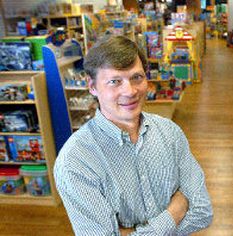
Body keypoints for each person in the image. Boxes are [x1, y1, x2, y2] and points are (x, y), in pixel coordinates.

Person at [54, 35, 213, 235]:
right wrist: (176, 210)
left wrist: (130, 232)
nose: (129, 91)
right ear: (92, 86)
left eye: (136, 77)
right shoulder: (76, 161)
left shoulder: (170, 132)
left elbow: (202, 212)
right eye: (114, 81)